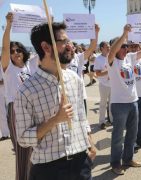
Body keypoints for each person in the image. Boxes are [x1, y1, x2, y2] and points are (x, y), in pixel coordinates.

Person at [14, 22, 96, 180]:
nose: (70, 46)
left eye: (70, 42)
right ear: (46, 47)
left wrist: (90, 144)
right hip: (48, 169)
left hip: (81, 163)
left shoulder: (74, 79)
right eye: (64, 42)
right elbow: (23, 139)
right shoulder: (26, 91)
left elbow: (81, 117)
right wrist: (55, 120)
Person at [107, 24, 141, 175]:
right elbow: (113, 51)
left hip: (133, 101)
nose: (125, 49)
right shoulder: (112, 61)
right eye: (122, 46)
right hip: (119, 104)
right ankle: (115, 163)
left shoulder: (130, 57)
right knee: (117, 136)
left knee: (132, 134)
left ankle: (128, 159)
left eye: (126, 47)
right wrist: (124, 34)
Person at [1, 12, 38, 180]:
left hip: (32, 109)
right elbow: (5, 47)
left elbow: (44, 48)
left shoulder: (30, 66)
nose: (16, 53)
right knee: (22, 149)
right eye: (12, 51)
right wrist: (8, 25)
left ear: (23, 51)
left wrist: (48, 26)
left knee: (35, 148)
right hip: (16, 109)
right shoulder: (8, 69)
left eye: (18, 50)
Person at [94, 41, 112, 129]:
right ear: (101, 49)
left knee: (112, 104)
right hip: (104, 85)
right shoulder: (98, 59)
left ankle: (112, 121)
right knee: (103, 104)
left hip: (113, 85)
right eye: (107, 47)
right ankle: (101, 122)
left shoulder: (112, 57)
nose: (109, 48)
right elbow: (97, 73)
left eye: (109, 46)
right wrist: (109, 71)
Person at [0, 63, 9, 141]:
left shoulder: (6, 64)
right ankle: (5, 134)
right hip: (0, 92)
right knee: (2, 113)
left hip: (8, 90)